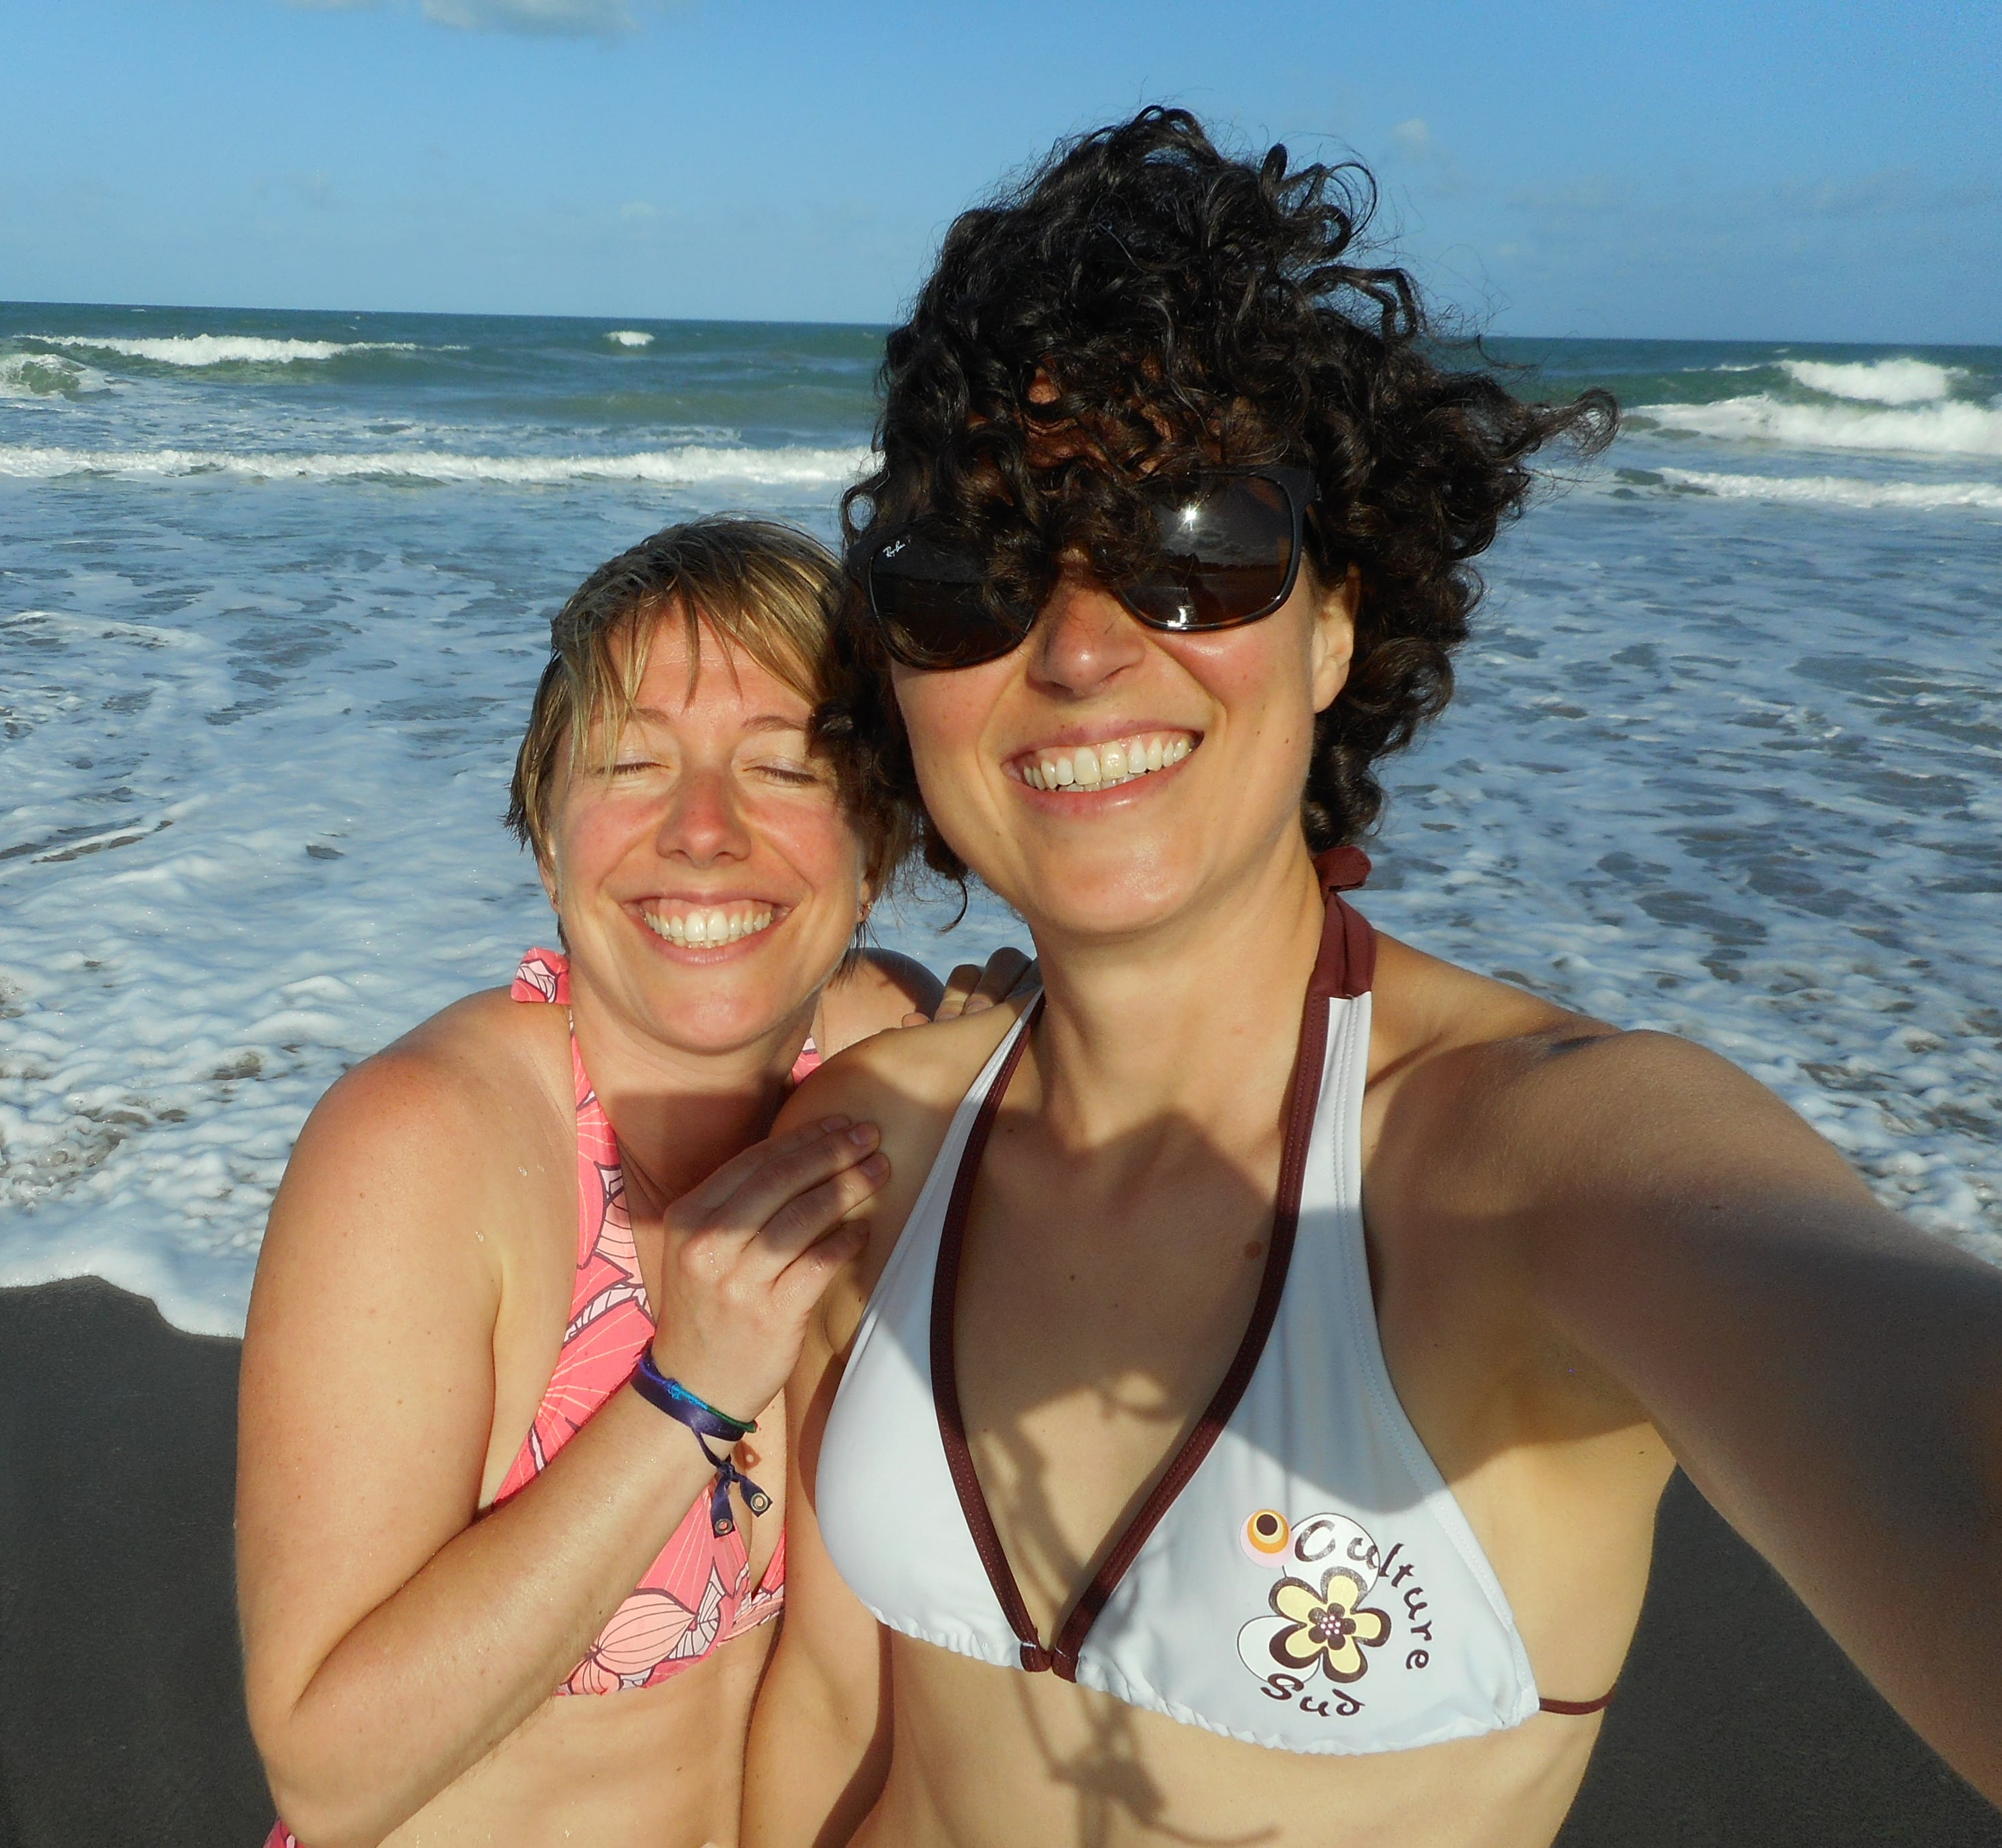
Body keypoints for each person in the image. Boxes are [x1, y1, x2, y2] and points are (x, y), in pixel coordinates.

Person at [744, 111, 2002, 1847]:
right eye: (972, 577)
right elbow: (829, 1713)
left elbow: (1901, 1375)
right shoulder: (875, 1134)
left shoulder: (1521, 1163)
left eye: (1193, 543)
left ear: (1337, 620)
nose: (1083, 646)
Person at [235, 518, 1026, 1848]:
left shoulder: (883, 1064)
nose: (704, 831)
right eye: (634, 764)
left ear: (876, 847)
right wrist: (686, 1394)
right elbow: (329, 1770)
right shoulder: (429, 1149)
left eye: (781, 766)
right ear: (549, 838)